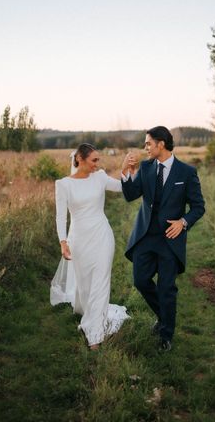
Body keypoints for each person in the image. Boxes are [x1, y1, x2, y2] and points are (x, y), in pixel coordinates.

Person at [121, 126, 205, 352]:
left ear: (161, 144)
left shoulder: (186, 172)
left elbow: (198, 207)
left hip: (170, 239)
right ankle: (165, 315)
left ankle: (166, 334)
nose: (145, 148)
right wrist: (127, 172)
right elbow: (131, 195)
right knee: (140, 281)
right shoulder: (147, 167)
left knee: (167, 288)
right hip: (146, 236)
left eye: (148, 143)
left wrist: (183, 223)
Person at [50, 143, 131, 350]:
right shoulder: (63, 185)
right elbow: (60, 217)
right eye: (94, 160)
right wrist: (63, 242)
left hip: (102, 236)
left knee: (101, 283)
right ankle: (89, 313)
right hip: (78, 240)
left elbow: (122, 186)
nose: (98, 164)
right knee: (85, 285)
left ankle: (94, 335)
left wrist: (124, 169)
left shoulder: (100, 177)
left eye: (98, 160)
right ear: (79, 159)